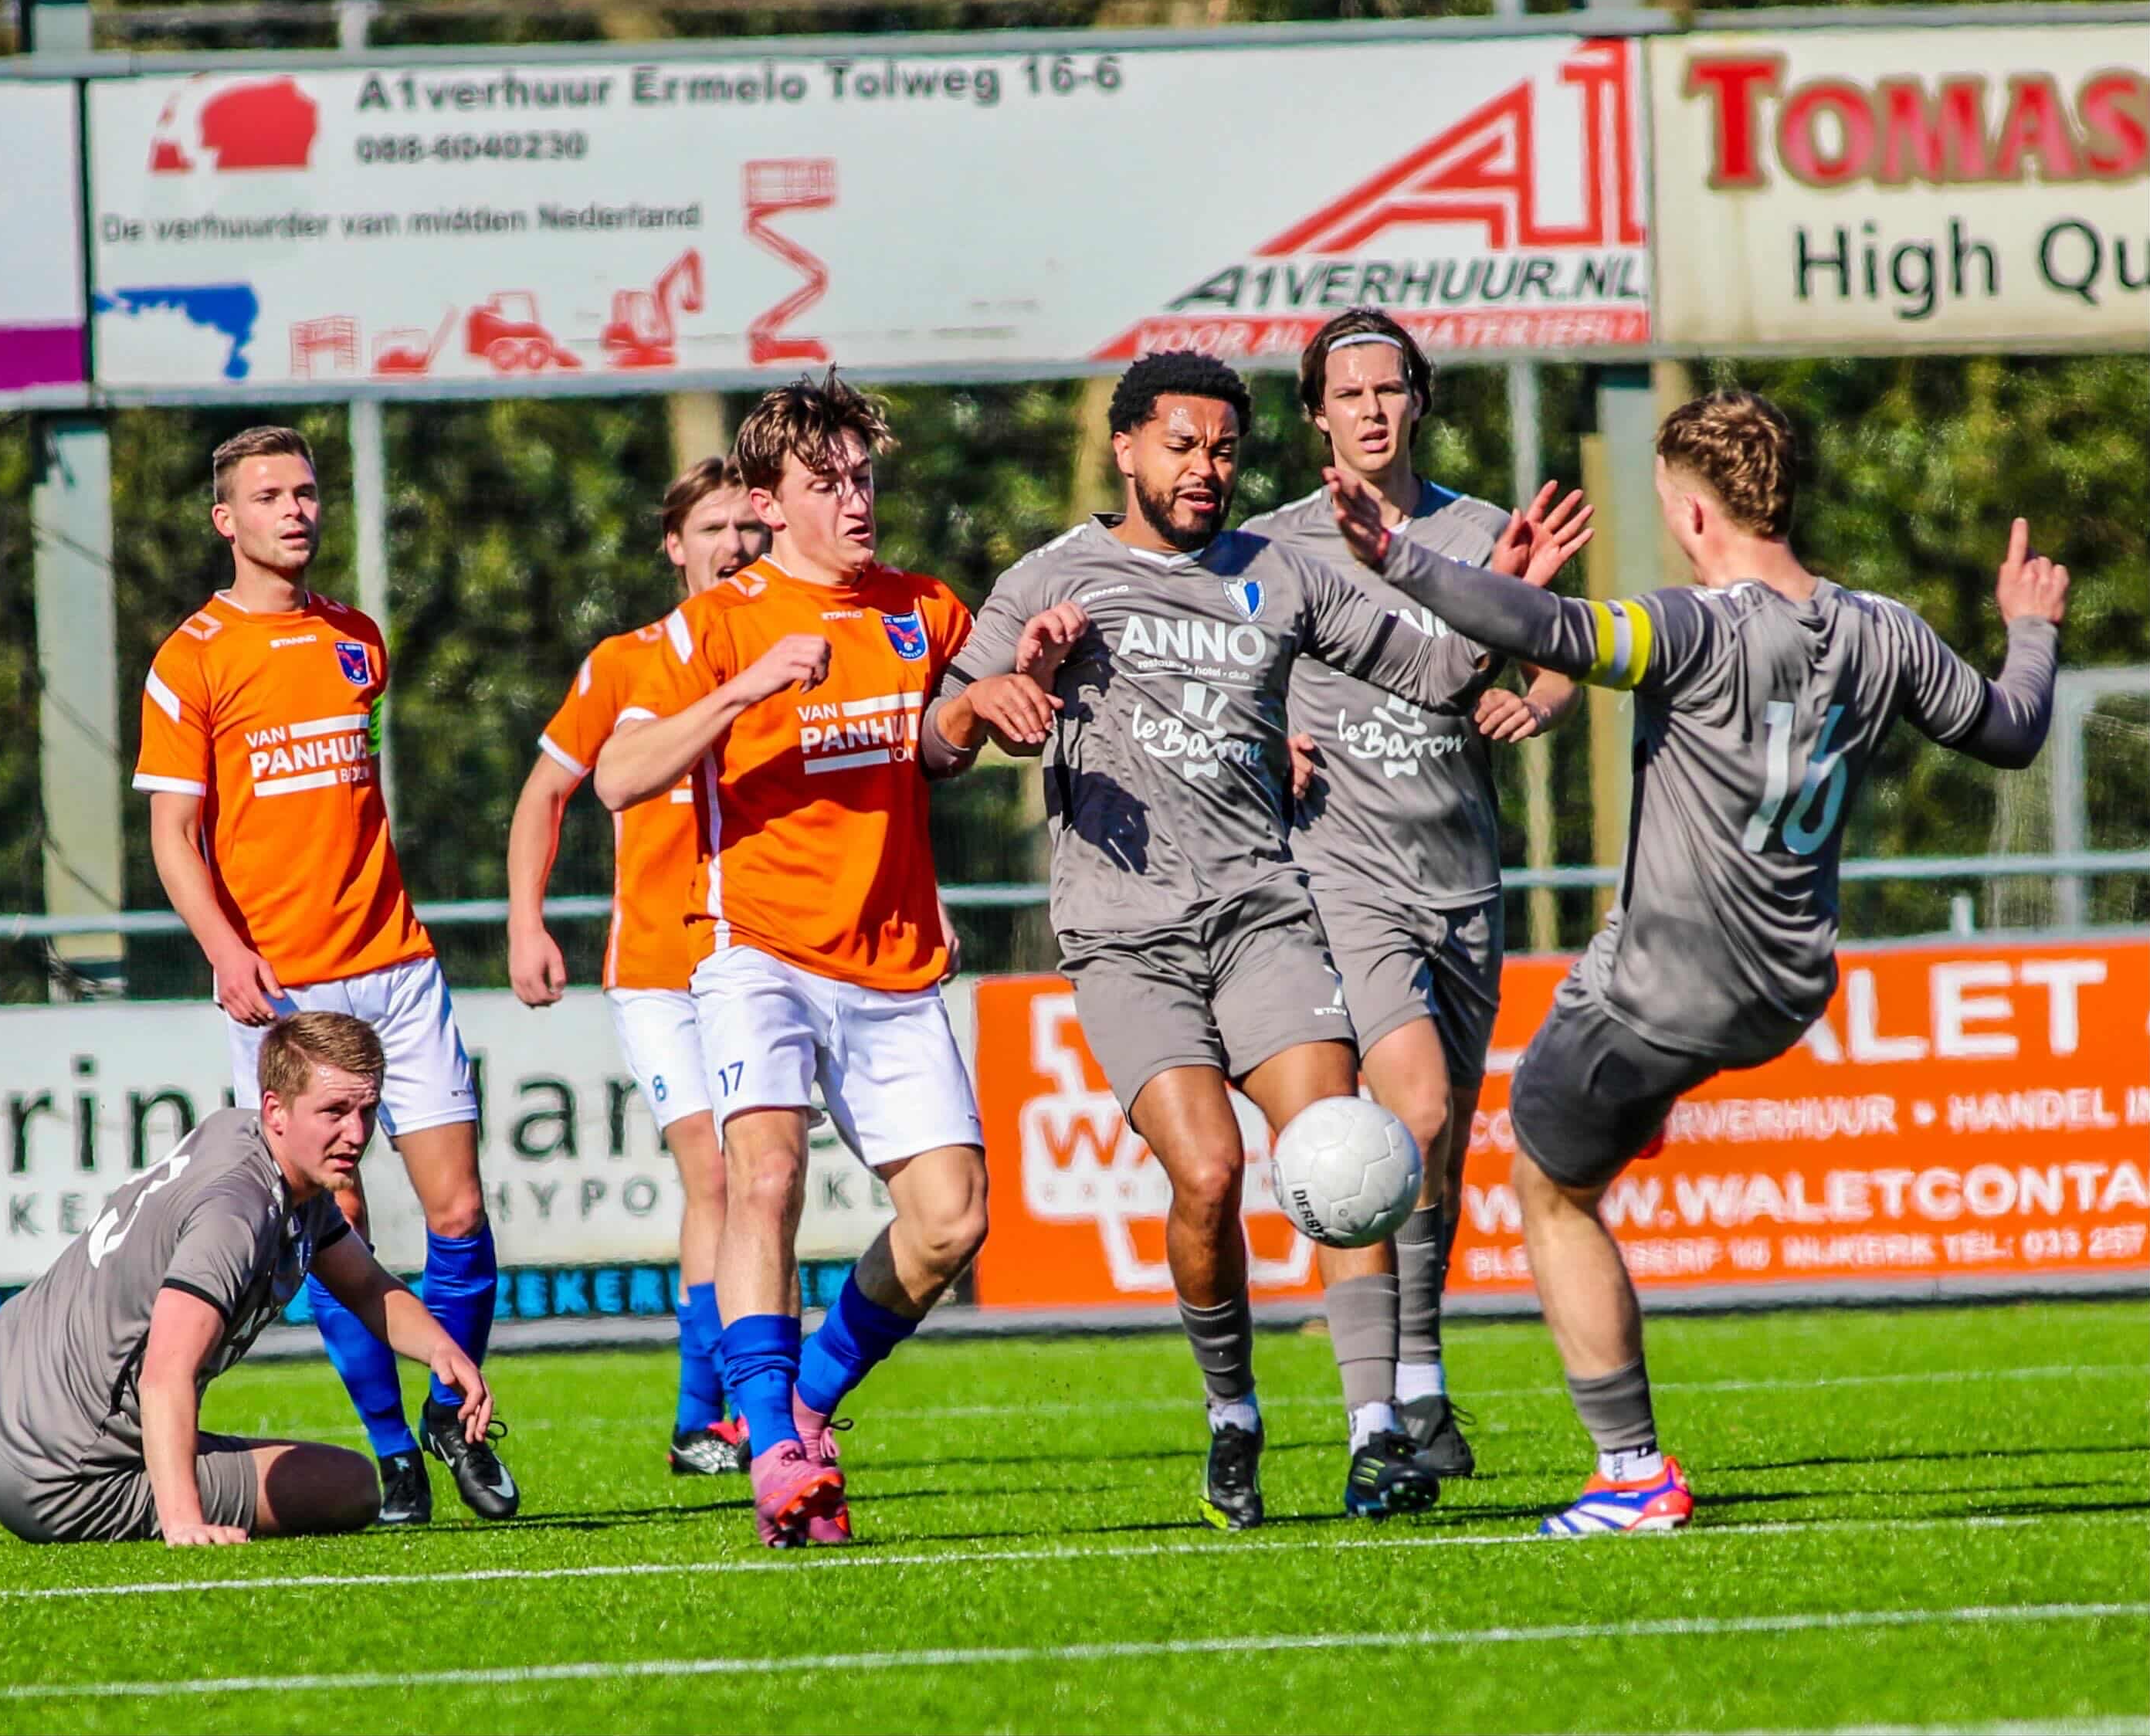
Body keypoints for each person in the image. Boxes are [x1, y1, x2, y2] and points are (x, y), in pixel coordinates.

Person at [1330, 388, 2062, 1535]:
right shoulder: (1885, 628)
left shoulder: (1691, 626)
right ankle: (1646, 1098)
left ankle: (1630, 1472)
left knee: (1543, 1177)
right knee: (1598, 1100)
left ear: (1686, 510)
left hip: (1662, 985)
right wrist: (2028, 625)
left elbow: (1554, 635)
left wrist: (1399, 558)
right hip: (1784, 987)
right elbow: (2009, 729)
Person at [927, 351, 1554, 1530]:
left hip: (1263, 911)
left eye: (1222, 450)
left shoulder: (1280, 573)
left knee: (1339, 1144)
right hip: (1126, 936)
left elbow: (1430, 671)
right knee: (1208, 1173)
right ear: (1124, 450)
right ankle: (1232, 1412)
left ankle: (1375, 1433)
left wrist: (1498, 603)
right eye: (1181, 446)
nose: (1205, 469)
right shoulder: (1054, 576)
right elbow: (936, 735)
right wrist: (995, 696)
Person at [594, 373, 992, 1549]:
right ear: (768, 500)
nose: (856, 499)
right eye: (828, 483)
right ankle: (768, 1445)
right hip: (751, 948)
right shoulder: (713, 624)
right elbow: (618, 780)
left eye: (864, 476)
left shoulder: (924, 606)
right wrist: (745, 688)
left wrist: (990, 706)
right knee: (761, 1175)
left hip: (893, 958)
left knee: (949, 1220)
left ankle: (808, 1395)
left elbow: (935, 743)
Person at [132, 425, 509, 1526]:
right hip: (287, 987)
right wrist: (224, 949)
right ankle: (393, 1453)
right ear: (226, 519)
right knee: (331, 1218)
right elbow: (175, 832)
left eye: (305, 491)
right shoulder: (190, 655)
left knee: (459, 1206)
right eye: (268, 494)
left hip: (395, 961)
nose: (294, 509)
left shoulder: (357, 639)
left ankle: (449, 1408)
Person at [1243, 308, 1586, 1479]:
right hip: (1339, 869)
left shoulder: (1484, 529)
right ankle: (1372, 1415)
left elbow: (1558, 651)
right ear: (1315, 413)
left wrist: (1535, 702)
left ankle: (1420, 1386)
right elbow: (1226, 673)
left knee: (1429, 1149)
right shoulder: (1267, 547)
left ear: (1418, 399)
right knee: (1403, 1117)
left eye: (1389, 388)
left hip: (1459, 872)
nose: (1371, 409)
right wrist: (1268, 733)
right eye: (1347, 394)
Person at [0, 1013, 495, 1548]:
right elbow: (166, 1375)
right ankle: (161, 1497)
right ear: (277, 1110)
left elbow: (363, 1283)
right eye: (335, 1112)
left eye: (367, 1111)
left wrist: (443, 1352)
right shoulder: (235, 1210)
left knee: (74, 1374)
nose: (356, 1131)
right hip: (58, 1484)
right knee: (350, 1486)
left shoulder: (243, 1137)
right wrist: (183, 1519)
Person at [507, 456, 769, 1477]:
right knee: (711, 1166)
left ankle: (729, 1407)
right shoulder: (626, 661)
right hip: (659, 962)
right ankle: (704, 1415)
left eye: (747, 528)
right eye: (711, 527)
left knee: (756, 1173)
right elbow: (543, 794)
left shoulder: (799, 649)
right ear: (674, 543)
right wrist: (527, 920)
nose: (732, 546)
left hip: (765, 955)